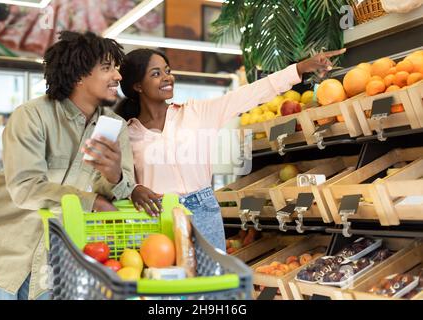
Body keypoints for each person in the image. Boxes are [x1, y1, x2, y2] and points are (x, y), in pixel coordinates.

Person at [115, 48, 346, 251]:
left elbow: (250, 93)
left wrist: (298, 69)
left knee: (212, 288)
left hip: (203, 211)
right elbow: (112, 181)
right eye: (156, 74)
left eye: (167, 70)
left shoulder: (197, 112)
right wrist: (133, 188)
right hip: (158, 216)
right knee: (166, 286)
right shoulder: (126, 134)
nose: (167, 78)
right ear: (137, 86)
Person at [0, 31, 139, 300]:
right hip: (3, 242)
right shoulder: (32, 116)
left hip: (55, 251)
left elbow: (119, 192)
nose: (118, 77)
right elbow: (25, 188)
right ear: (79, 75)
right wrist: (92, 201)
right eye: (107, 68)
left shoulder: (114, 127)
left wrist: (114, 176)